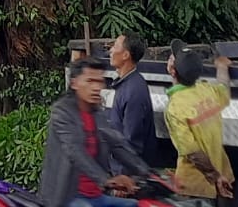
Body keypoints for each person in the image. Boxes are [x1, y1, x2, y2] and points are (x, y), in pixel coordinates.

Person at [37, 58, 154, 207]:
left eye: (99, 81)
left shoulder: (97, 113)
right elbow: (75, 150)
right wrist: (107, 180)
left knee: (134, 205)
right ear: (74, 83)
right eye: (90, 81)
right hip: (67, 197)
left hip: (95, 195)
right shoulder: (61, 112)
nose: (96, 87)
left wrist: (148, 173)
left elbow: (117, 145)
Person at [165, 44, 234, 201]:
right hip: (220, 175)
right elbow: (224, 87)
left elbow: (191, 152)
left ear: (172, 70)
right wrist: (222, 67)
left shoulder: (175, 107)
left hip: (194, 186)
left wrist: (214, 177)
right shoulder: (207, 90)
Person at [108, 33, 162, 168]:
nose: (111, 50)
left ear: (126, 55)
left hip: (128, 176)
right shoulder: (126, 84)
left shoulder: (133, 91)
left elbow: (132, 142)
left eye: (115, 46)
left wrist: (123, 177)